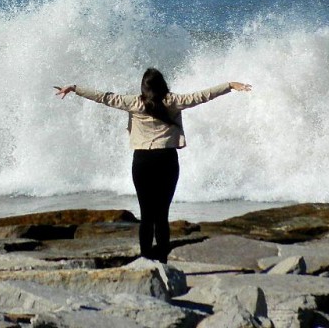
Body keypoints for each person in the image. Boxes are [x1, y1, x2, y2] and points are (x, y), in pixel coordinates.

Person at [55, 68, 251, 263]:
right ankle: (163, 261)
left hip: (142, 162)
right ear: (163, 84)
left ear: (143, 86)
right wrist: (229, 85)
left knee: (146, 214)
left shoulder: (134, 103)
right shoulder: (173, 101)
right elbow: (202, 96)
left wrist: (74, 88)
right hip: (166, 160)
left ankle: (146, 260)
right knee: (162, 214)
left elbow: (104, 97)